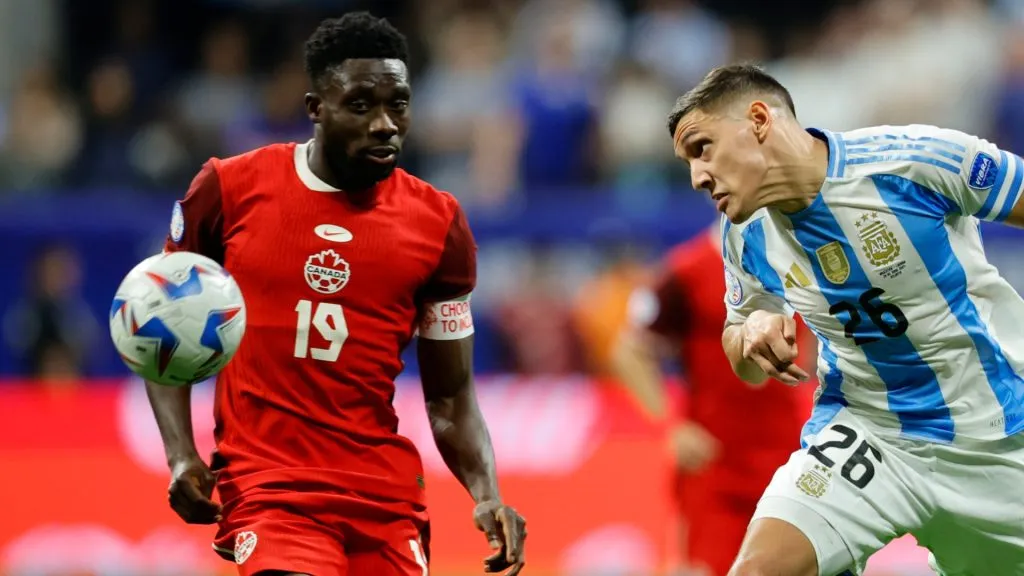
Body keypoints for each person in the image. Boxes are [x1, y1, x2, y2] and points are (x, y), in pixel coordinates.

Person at [146, 13, 526, 576]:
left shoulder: (438, 224)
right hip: (271, 489)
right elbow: (161, 327)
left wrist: (486, 493)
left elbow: (450, 399)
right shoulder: (231, 187)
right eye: (361, 105)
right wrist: (181, 455)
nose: (384, 124)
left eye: (398, 104)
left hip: (383, 499)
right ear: (315, 108)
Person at [666, 63, 1024, 576]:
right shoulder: (744, 233)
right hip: (869, 433)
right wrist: (748, 334)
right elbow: (740, 349)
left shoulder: (913, 161)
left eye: (702, 148)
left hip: (996, 433)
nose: (698, 176)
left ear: (760, 120)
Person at [612, 224, 814, 576]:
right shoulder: (687, 270)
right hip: (717, 467)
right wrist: (670, 427)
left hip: (790, 460)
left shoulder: (802, 259)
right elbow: (629, 351)